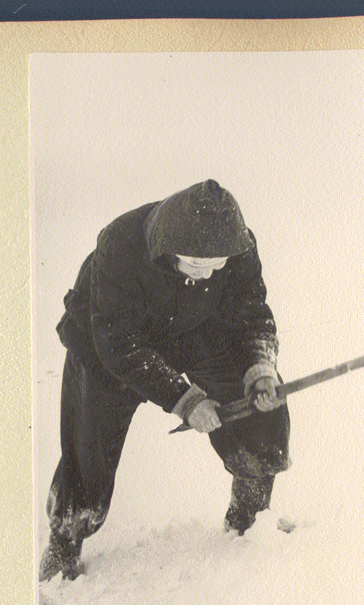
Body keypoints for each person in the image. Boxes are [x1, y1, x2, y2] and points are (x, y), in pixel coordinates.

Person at [40, 180, 290, 582]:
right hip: (109, 341)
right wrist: (184, 399)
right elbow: (117, 341)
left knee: (261, 408)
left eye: (216, 263)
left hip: (196, 327)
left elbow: (251, 312)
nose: (206, 270)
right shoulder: (119, 244)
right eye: (194, 262)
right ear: (168, 246)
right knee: (89, 446)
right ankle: (66, 539)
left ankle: (250, 518)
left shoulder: (239, 245)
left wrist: (260, 366)